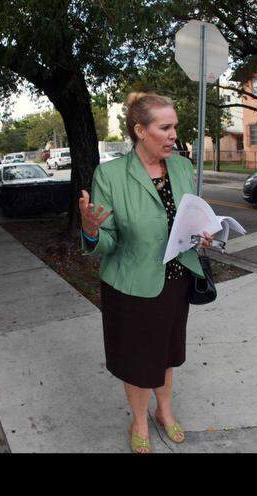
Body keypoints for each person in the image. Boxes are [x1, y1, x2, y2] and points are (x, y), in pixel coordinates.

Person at [78, 92, 215, 454]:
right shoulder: (109, 175)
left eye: (175, 127)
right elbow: (106, 243)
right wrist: (92, 231)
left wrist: (204, 234)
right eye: (165, 127)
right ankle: (139, 420)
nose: (173, 134)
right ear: (140, 130)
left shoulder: (183, 168)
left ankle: (164, 412)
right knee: (138, 361)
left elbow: (192, 216)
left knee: (168, 353)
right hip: (132, 286)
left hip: (176, 280)